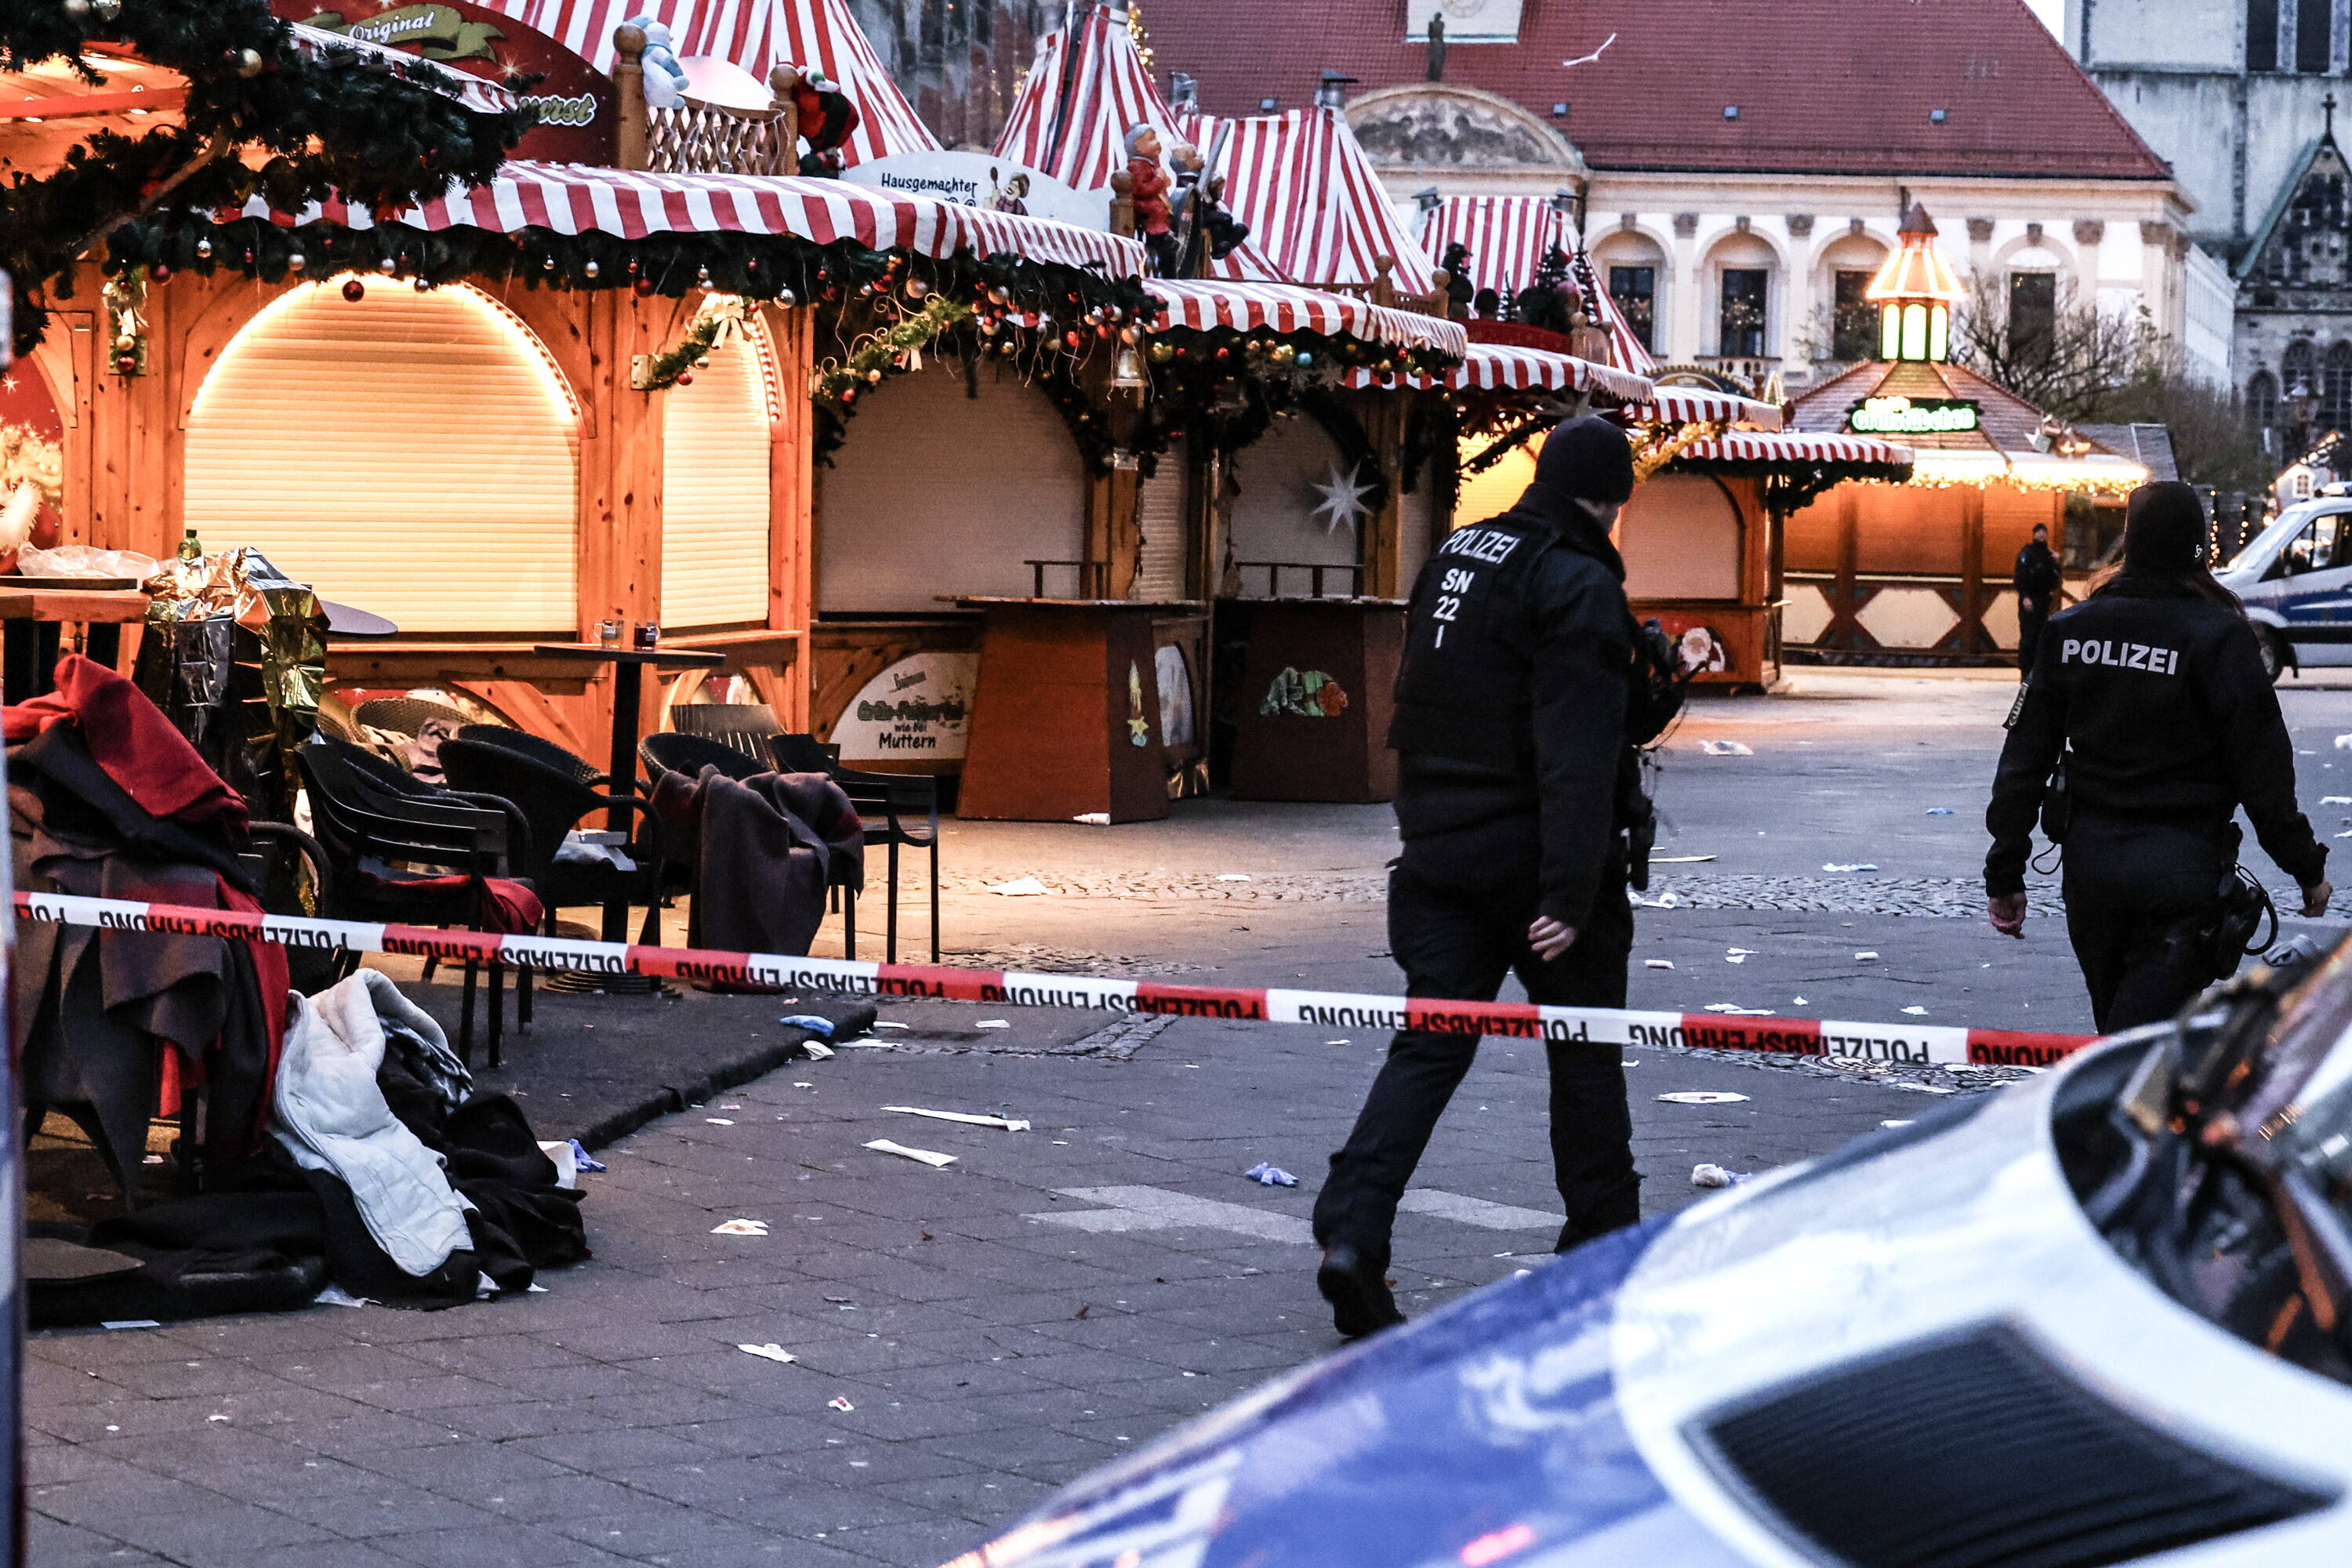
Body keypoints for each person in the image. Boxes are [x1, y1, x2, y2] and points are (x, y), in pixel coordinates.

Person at [1312, 416, 1649, 1338]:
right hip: (1532, 862)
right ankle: (1602, 1254)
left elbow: (1422, 694)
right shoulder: (1575, 579)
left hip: (1437, 854)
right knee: (1585, 1053)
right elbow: (1578, 755)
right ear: (1610, 499)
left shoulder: (1462, 549)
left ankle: (1352, 1229)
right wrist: (1571, 894)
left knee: (1430, 1045)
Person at [1985, 481, 2332, 1033]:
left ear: (2130, 541)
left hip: (2091, 867)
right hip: (2182, 869)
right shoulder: (2220, 637)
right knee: (2134, 1047)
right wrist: (2305, 867)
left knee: (2120, 1036)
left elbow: (2024, 758)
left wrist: (2005, 868)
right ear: (2199, 548)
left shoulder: (2070, 631)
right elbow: (2263, 771)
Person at [2013, 521, 2063, 678]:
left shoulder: (2050, 555)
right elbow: (2020, 576)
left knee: (2042, 635)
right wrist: (2025, 596)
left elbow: (2056, 579)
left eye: (2044, 532)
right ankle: (2025, 671)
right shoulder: (2027, 553)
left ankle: (2038, 671)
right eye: (2038, 532)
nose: (2041, 535)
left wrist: (2057, 563)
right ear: (2034, 534)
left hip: (2043, 600)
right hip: (2029, 600)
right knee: (2028, 636)